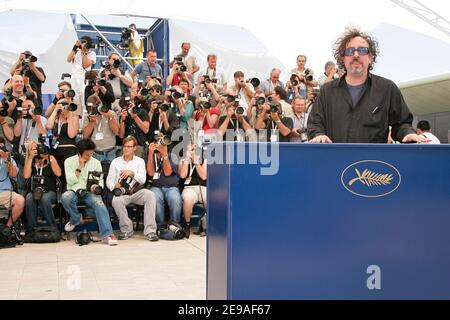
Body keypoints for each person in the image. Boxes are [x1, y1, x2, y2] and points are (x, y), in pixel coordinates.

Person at [307, 27, 429, 144]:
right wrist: (318, 135)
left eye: (362, 50)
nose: (356, 55)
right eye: (350, 51)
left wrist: (407, 133)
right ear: (343, 59)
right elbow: (315, 124)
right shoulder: (327, 91)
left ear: (370, 58)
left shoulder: (387, 88)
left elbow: (402, 123)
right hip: (336, 162)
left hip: (373, 163)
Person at [61, 139, 118, 245]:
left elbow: (100, 181)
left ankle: (108, 235)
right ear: (79, 152)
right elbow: (70, 181)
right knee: (65, 197)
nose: (89, 156)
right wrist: (79, 167)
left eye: (91, 153)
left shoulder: (96, 163)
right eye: (87, 154)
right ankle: (76, 219)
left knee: (100, 204)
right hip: (73, 190)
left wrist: (95, 186)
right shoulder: (68, 161)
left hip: (90, 192)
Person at [107, 136, 158, 241]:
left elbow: (143, 179)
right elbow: (109, 180)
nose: (126, 149)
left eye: (129, 146)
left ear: (134, 148)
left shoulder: (140, 161)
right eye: (125, 146)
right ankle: (126, 229)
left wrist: (132, 173)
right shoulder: (115, 162)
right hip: (121, 192)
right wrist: (114, 186)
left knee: (150, 195)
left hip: (136, 192)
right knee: (116, 201)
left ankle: (150, 231)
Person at [23, 141, 61, 233]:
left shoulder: (49, 158)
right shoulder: (30, 161)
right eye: (33, 149)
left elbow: (58, 173)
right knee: (28, 198)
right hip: (34, 191)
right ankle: (31, 229)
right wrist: (30, 158)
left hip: (49, 191)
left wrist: (48, 158)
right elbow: (26, 176)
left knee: (44, 198)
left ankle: (53, 228)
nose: (37, 150)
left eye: (38, 148)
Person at [146, 138, 182, 229]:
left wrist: (164, 154)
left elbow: (167, 172)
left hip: (171, 187)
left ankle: (175, 225)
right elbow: (150, 173)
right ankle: (160, 226)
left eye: (161, 142)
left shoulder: (172, 156)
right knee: (155, 197)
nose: (160, 144)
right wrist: (150, 153)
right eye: (157, 141)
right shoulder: (151, 155)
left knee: (175, 198)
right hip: (156, 187)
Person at [178, 143, 207, 238]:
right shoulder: (183, 159)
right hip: (189, 188)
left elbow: (203, 176)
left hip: (203, 187)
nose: (193, 151)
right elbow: (182, 175)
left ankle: (205, 224)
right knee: (188, 199)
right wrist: (187, 158)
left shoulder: (205, 159)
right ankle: (187, 225)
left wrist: (196, 162)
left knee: (211, 199)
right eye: (191, 148)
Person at [67, 36, 97, 115]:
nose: (83, 45)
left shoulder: (92, 53)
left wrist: (84, 53)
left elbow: (85, 65)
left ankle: (85, 121)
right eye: (82, 42)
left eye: (85, 43)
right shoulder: (76, 51)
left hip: (84, 80)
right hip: (74, 79)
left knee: (84, 102)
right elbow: (68, 59)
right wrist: (75, 47)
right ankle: (75, 120)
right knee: (75, 101)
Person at [0, 138, 24, 228]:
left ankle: (7, 228)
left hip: (4, 192)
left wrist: (6, 159)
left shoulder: (9, 159)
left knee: (20, 200)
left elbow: (13, 174)